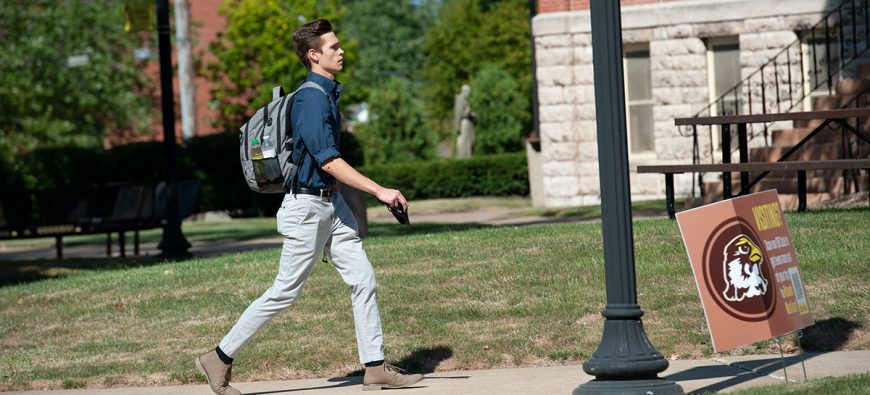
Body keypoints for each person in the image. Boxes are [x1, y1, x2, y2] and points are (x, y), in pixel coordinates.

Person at [195, 19, 423, 394]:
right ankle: (219, 357)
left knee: (363, 279)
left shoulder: (327, 93)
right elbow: (328, 160)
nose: (341, 50)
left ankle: (375, 367)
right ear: (313, 55)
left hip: (331, 205)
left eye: (338, 44)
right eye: (333, 46)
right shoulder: (311, 98)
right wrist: (380, 190)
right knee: (285, 291)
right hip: (306, 209)